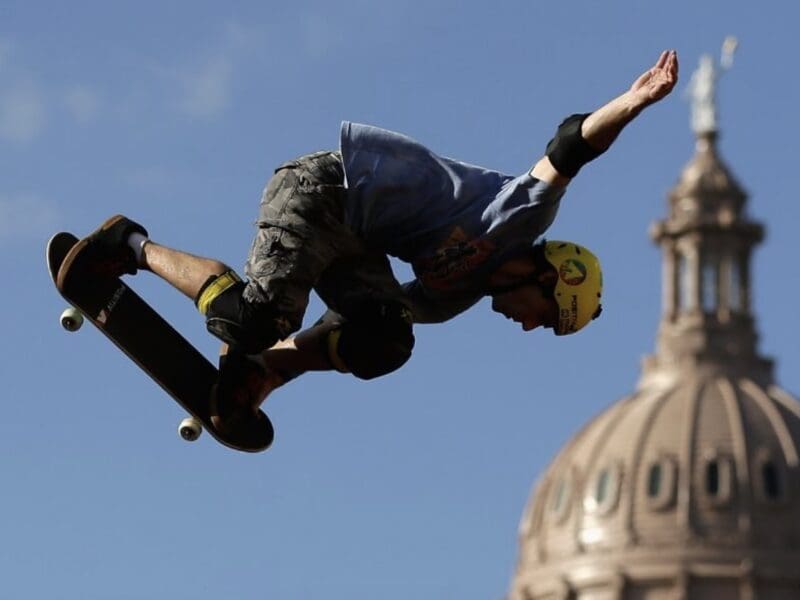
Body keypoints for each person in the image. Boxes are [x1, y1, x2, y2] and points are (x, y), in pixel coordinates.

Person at [59, 50, 679, 435]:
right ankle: (130, 242)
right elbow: (570, 147)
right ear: (550, 278)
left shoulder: (451, 297)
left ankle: (257, 369)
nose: (524, 328)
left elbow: (345, 323)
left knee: (386, 337)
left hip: (357, 244)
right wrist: (633, 101)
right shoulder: (520, 220)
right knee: (254, 316)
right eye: (543, 320)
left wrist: (274, 375)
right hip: (328, 189)